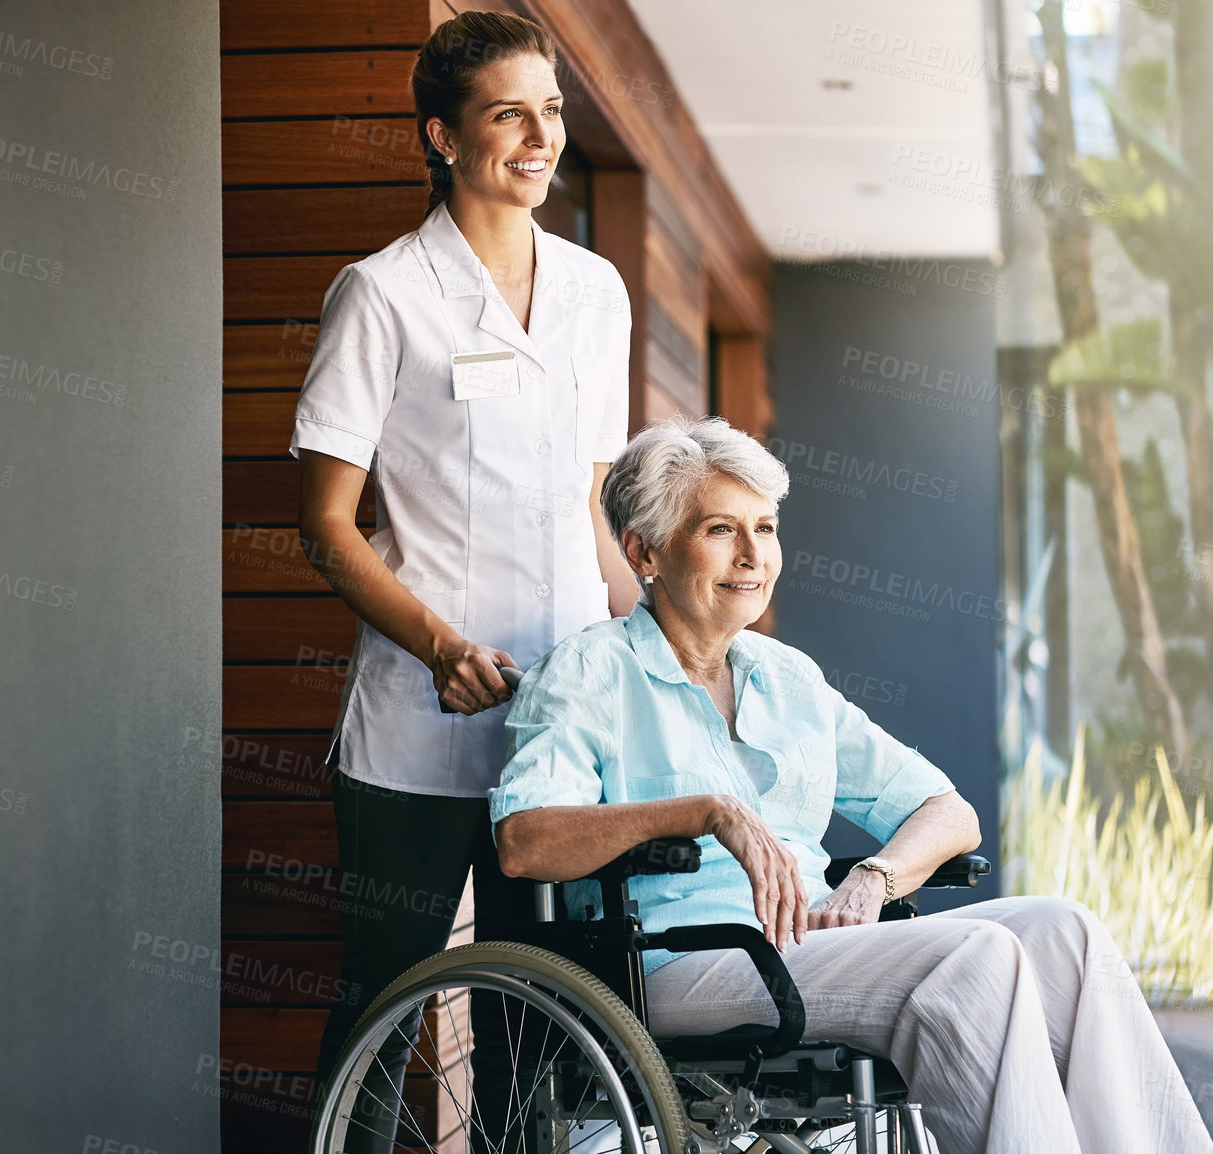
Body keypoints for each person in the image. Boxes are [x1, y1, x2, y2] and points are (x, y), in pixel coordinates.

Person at [490, 416, 1212, 1154]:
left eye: (765, 528)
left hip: (806, 943)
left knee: (1068, 934)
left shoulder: (786, 676)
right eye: (720, 529)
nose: (752, 556)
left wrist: (873, 879)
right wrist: (707, 813)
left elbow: (948, 812)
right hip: (675, 960)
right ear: (644, 551)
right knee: (974, 961)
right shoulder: (587, 674)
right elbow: (524, 841)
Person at [293, 11, 638, 1147]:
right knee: (380, 1007)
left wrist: (647, 648)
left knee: (540, 1019)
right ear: (443, 136)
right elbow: (329, 528)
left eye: (550, 111)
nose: (539, 136)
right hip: (417, 723)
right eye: (508, 114)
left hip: (560, 722)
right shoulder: (382, 294)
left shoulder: (594, 293)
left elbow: (588, 503)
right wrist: (439, 643)